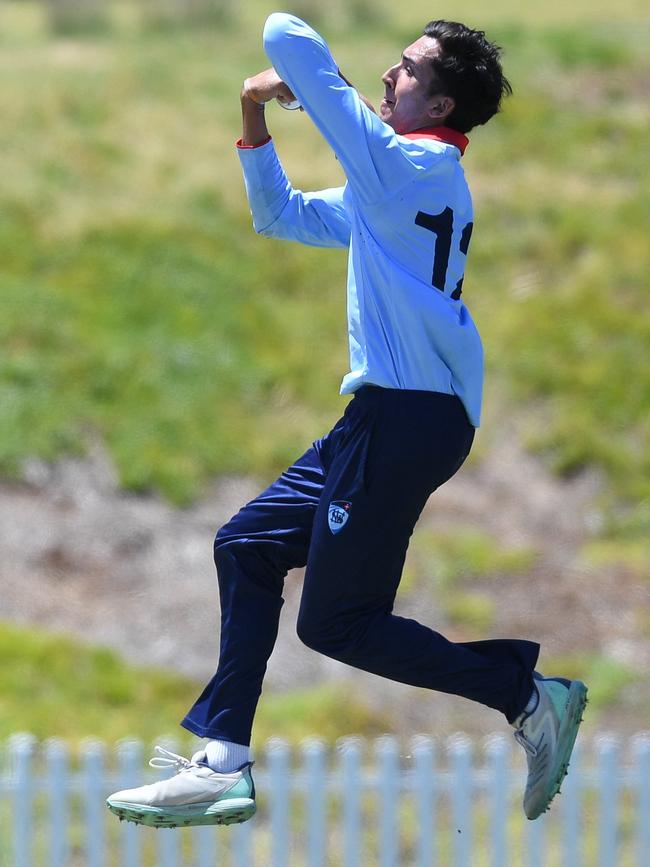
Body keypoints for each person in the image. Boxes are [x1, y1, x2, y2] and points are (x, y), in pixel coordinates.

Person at [107, 12, 587, 828]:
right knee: (246, 545)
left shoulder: (406, 166)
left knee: (337, 623)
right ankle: (223, 759)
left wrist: (300, 84)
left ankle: (524, 692)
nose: (389, 74)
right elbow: (282, 216)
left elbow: (284, 32)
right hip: (386, 416)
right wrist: (254, 116)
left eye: (407, 68)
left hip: (406, 418)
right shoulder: (397, 176)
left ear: (437, 105)